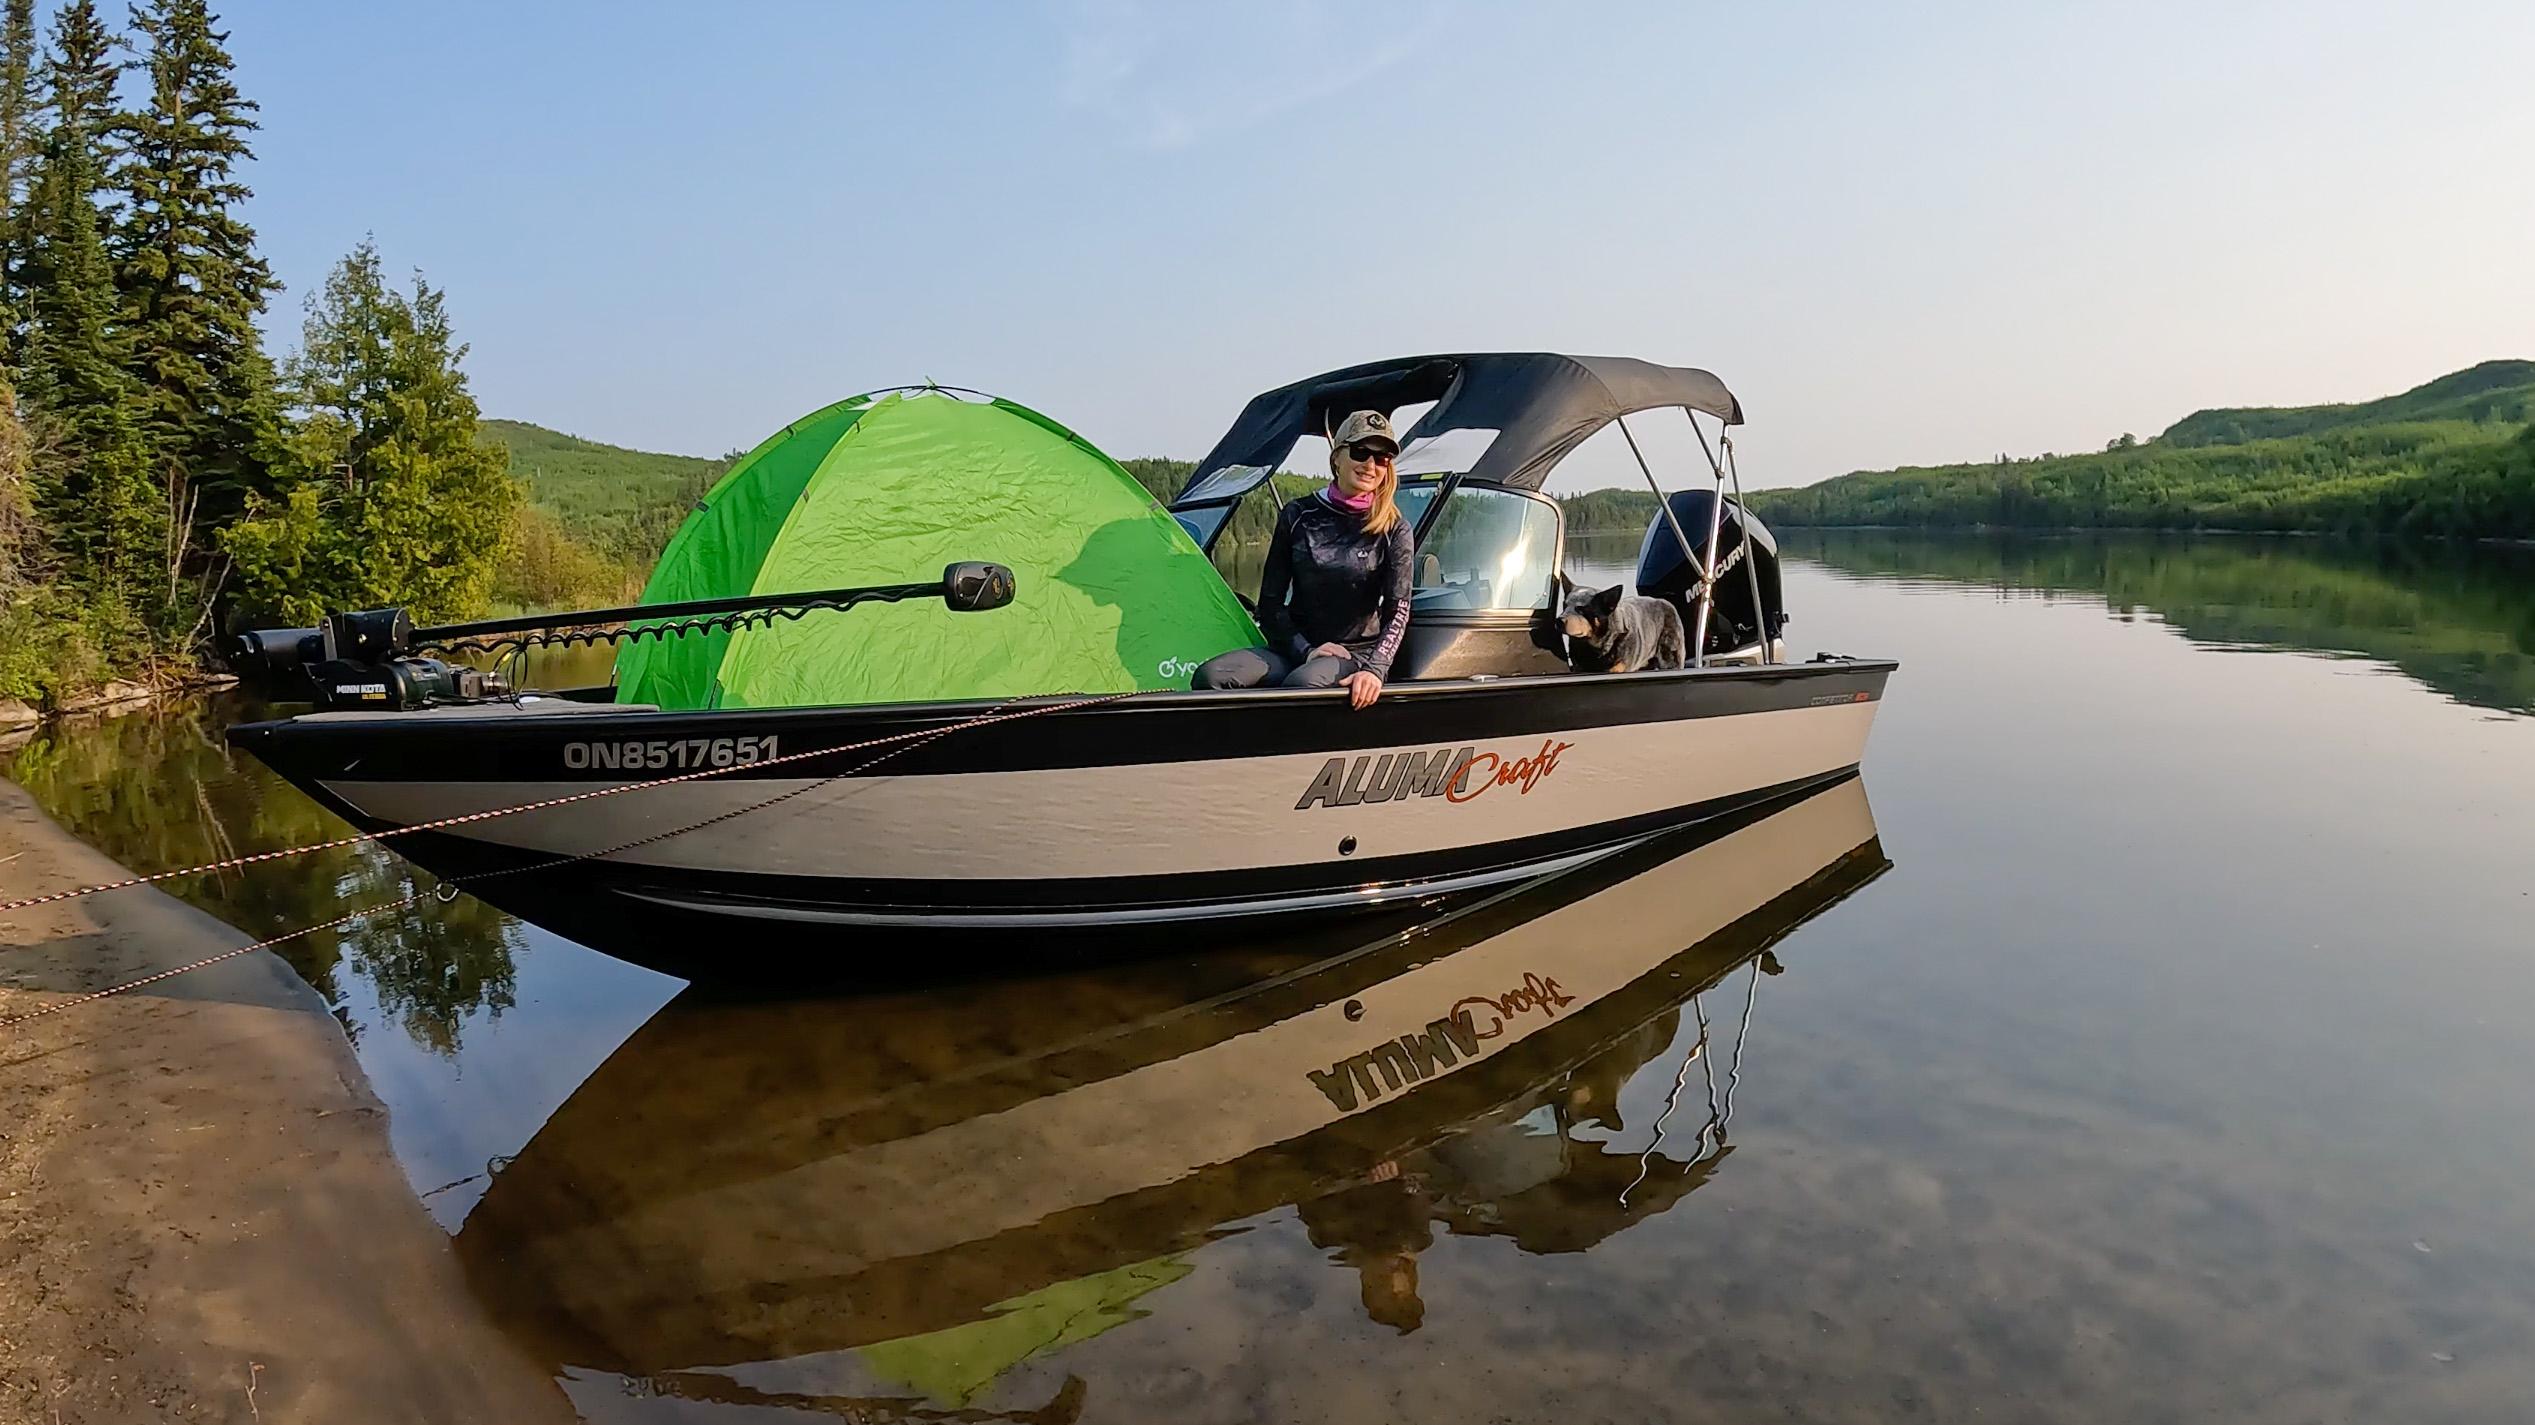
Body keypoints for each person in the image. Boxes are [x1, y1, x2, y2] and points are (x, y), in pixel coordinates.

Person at [1192, 410, 1412, 709]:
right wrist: (1306, 649)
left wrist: (1376, 669)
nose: (1370, 465)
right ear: (1337, 458)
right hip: (1297, 649)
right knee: (1210, 676)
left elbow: (1398, 610)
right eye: (1361, 452)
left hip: (1354, 654)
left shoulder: (1394, 528)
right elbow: (1270, 604)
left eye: (1382, 458)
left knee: (1301, 687)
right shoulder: (1297, 515)